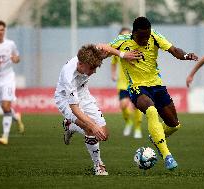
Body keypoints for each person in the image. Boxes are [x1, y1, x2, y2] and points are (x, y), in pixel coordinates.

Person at [109, 17, 198, 170]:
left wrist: (185, 56)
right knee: (151, 111)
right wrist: (121, 54)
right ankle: (167, 156)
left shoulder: (154, 36)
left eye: (147, 36)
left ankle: (156, 137)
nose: (145, 39)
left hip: (157, 86)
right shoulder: (123, 41)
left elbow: (174, 50)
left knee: (174, 125)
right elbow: (103, 50)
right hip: (137, 87)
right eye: (141, 37)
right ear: (134, 33)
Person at [54, 44, 140, 175]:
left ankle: (70, 125)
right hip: (66, 100)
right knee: (90, 128)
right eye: (92, 68)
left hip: (84, 95)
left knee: (103, 135)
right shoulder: (68, 75)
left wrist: (123, 55)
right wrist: (92, 125)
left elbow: (107, 48)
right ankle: (98, 165)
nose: (94, 71)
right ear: (81, 64)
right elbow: (75, 108)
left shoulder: (91, 54)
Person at [0, 20, 24, 145]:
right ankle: (16, 117)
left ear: (4, 31)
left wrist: (16, 59)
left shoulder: (10, 44)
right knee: (5, 109)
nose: (0, 32)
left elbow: (17, 58)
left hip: (8, 79)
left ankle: (4, 137)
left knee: (6, 107)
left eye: (2, 30)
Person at [111, 27, 143, 138]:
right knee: (123, 105)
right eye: (122, 35)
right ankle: (129, 122)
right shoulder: (117, 50)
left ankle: (138, 128)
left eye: (127, 35)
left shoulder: (136, 48)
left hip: (136, 82)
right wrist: (113, 74)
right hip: (122, 83)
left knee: (136, 106)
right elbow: (113, 63)